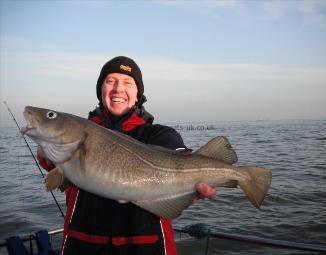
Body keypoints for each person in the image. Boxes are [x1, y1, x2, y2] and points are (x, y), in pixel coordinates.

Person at [37, 56, 216, 255]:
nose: (118, 89)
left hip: (147, 247)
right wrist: (45, 144)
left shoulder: (159, 134)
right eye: (110, 81)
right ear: (101, 90)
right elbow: (52, 169)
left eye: (128, 82)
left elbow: (179, 157)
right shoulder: (76, 135)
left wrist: (187, 190)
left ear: (138, 93)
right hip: (80, 246)